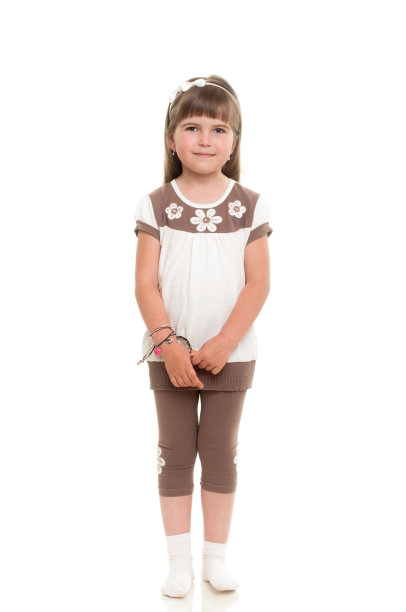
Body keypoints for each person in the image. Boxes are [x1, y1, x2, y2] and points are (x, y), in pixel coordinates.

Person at [133, 75, 273, 598]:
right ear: (172, 139)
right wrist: (169, 345)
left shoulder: (250, 206)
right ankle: (178, 562)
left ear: (234, 141)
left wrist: (223, 343)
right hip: (168, 354)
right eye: (192, 127)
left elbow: (258, 283)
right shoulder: (156, 205)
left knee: (219, 453)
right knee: (174, 453)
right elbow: (145, 283)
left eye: (219, 129)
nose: (206, 139)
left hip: (230, 355)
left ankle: (215, 557)